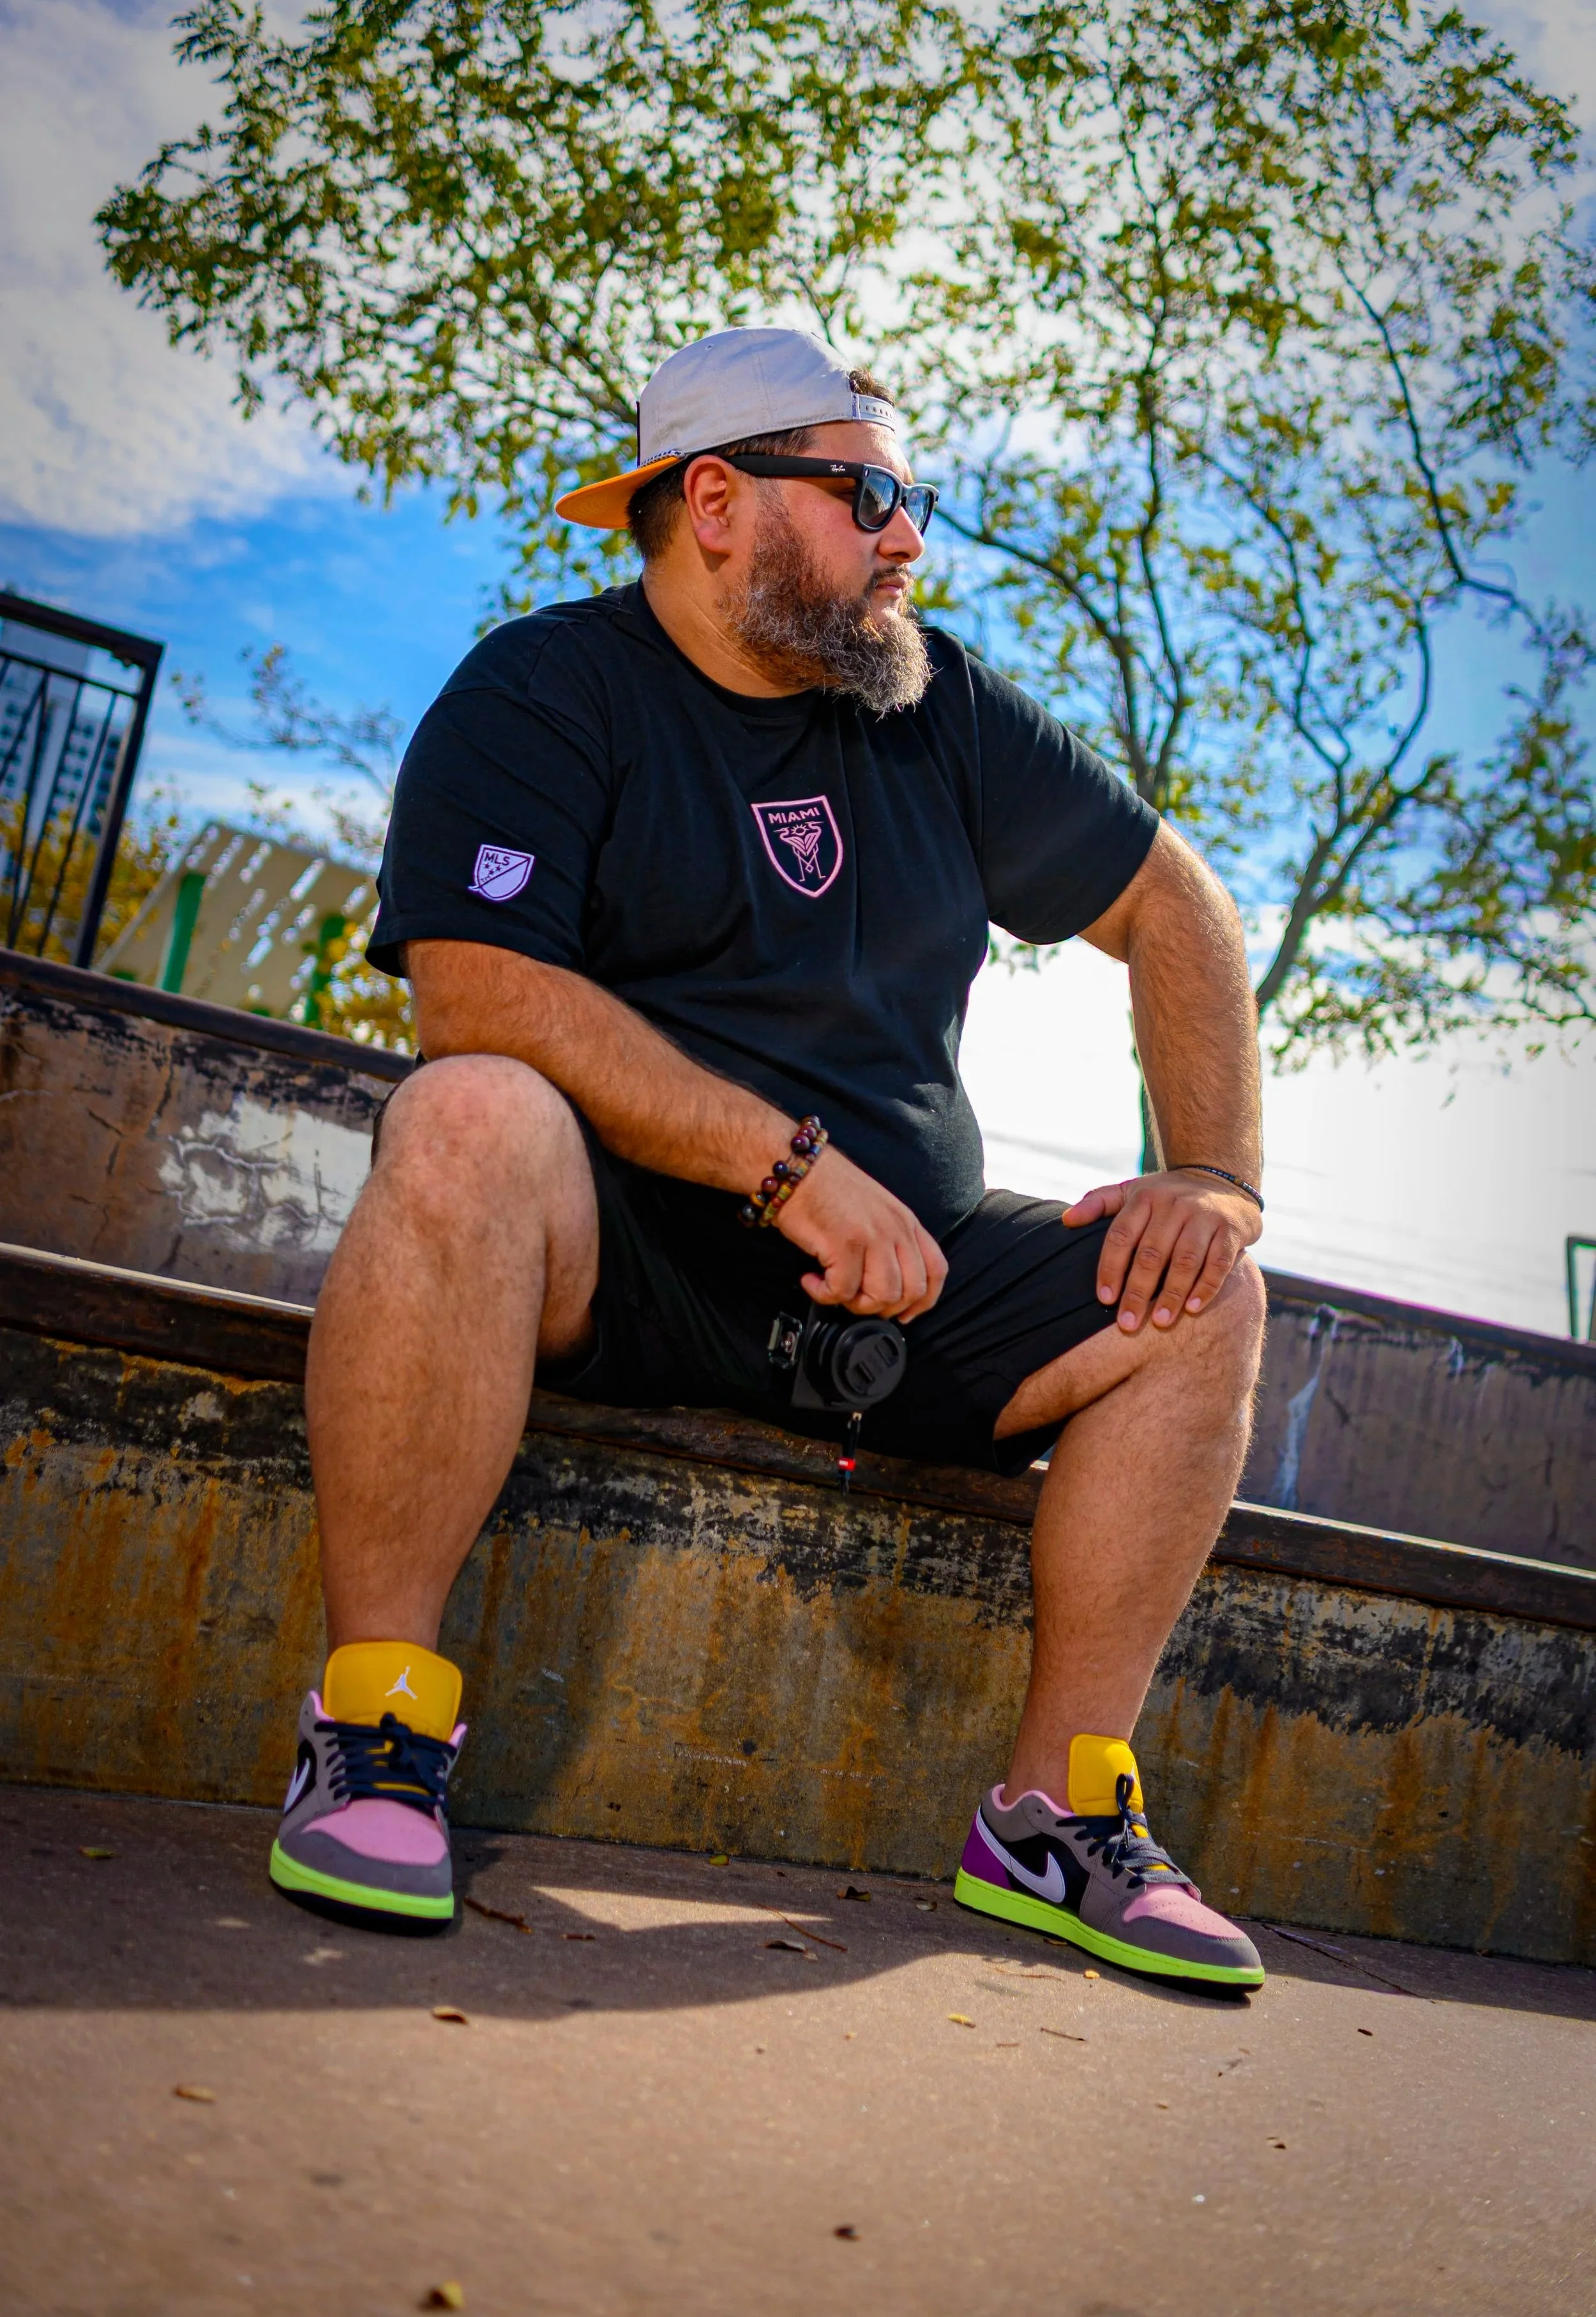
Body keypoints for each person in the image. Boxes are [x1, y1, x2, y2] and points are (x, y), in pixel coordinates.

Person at [270, 327, 1269, 1989]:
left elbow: (1175, 903)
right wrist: (784, 1165)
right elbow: (477, 994)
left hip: (902, 1296)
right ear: (718, 503)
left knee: (1201, 1293)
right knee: (467, 1110)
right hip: (631, 1265)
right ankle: (374, 1724)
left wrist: (1217, 1174)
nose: (908, 538)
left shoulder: (939, 709)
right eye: (868, 494)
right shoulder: (540, 690)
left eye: (914, 498)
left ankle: (1054, 1815)